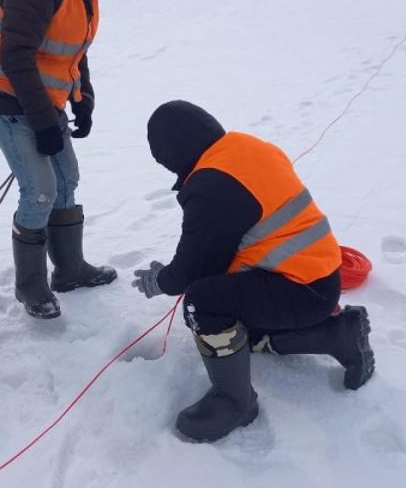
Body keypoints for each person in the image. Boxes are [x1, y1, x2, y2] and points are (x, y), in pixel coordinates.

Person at [131, 100, 375, 443]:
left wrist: (161, 280)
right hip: (316, 275)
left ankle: (235, 402)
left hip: (300, 288)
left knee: (203, 303)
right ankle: (338, 335)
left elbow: (192, 271)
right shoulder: (242, 148)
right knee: (235, 321)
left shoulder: (212, 187)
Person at [0, 0, 139, 319]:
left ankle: (69, 270)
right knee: (41, 190)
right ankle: (31, 287)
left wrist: (84, 99)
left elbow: (73, 50)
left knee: (67, 178)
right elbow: (16, 56)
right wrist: (44, 123)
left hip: (42, 101)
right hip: (5, 98)